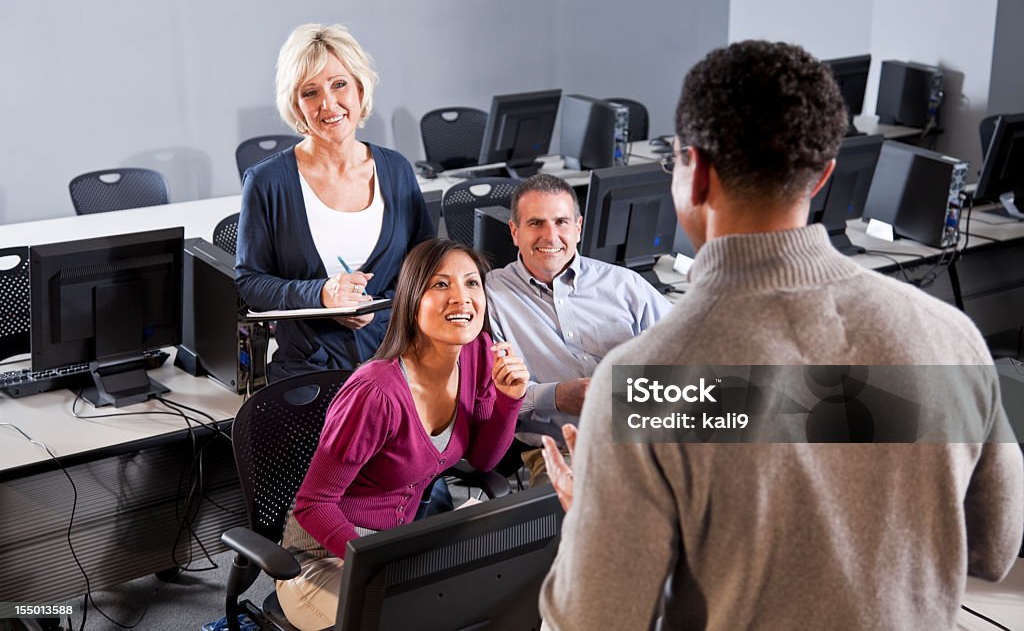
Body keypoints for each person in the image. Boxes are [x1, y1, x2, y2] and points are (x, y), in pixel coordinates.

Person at [539, 41, 1023, 629]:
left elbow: (597, 618)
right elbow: (995, 547)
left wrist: (593, 522)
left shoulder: (646, 386)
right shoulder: (952, 338)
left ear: (697, 174)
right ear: (822, 176)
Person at [276, 237, 528, 630]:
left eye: (472, 283)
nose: (461, 297)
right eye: (441, 284)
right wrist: (382, 564)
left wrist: (508, 401)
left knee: (511, 590)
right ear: (412, 301)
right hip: (323, 560)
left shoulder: (478, 353)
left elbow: (482, 460)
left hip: (402, 548)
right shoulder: (376, 393)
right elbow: (313, 505)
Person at [237, 23, 433, 381]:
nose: (328, 104)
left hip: (396, 363)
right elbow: (250, 283)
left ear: (360, 88)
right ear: (296, 105)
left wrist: (376, 309)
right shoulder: (267, 182)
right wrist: (322, 294)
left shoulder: (398, 170)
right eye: (310, 92)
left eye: (339, 84)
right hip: (308, 370)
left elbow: (425, 268)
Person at [485, 174, 669, 484]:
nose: (551, 236)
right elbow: (489, 397)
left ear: (578, 228)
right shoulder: (489, 298)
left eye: (561, 222)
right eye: (536, 224)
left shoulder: (624, 284)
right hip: (565, 453)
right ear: (514, 232)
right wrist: (554, 396)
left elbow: (691, 350)